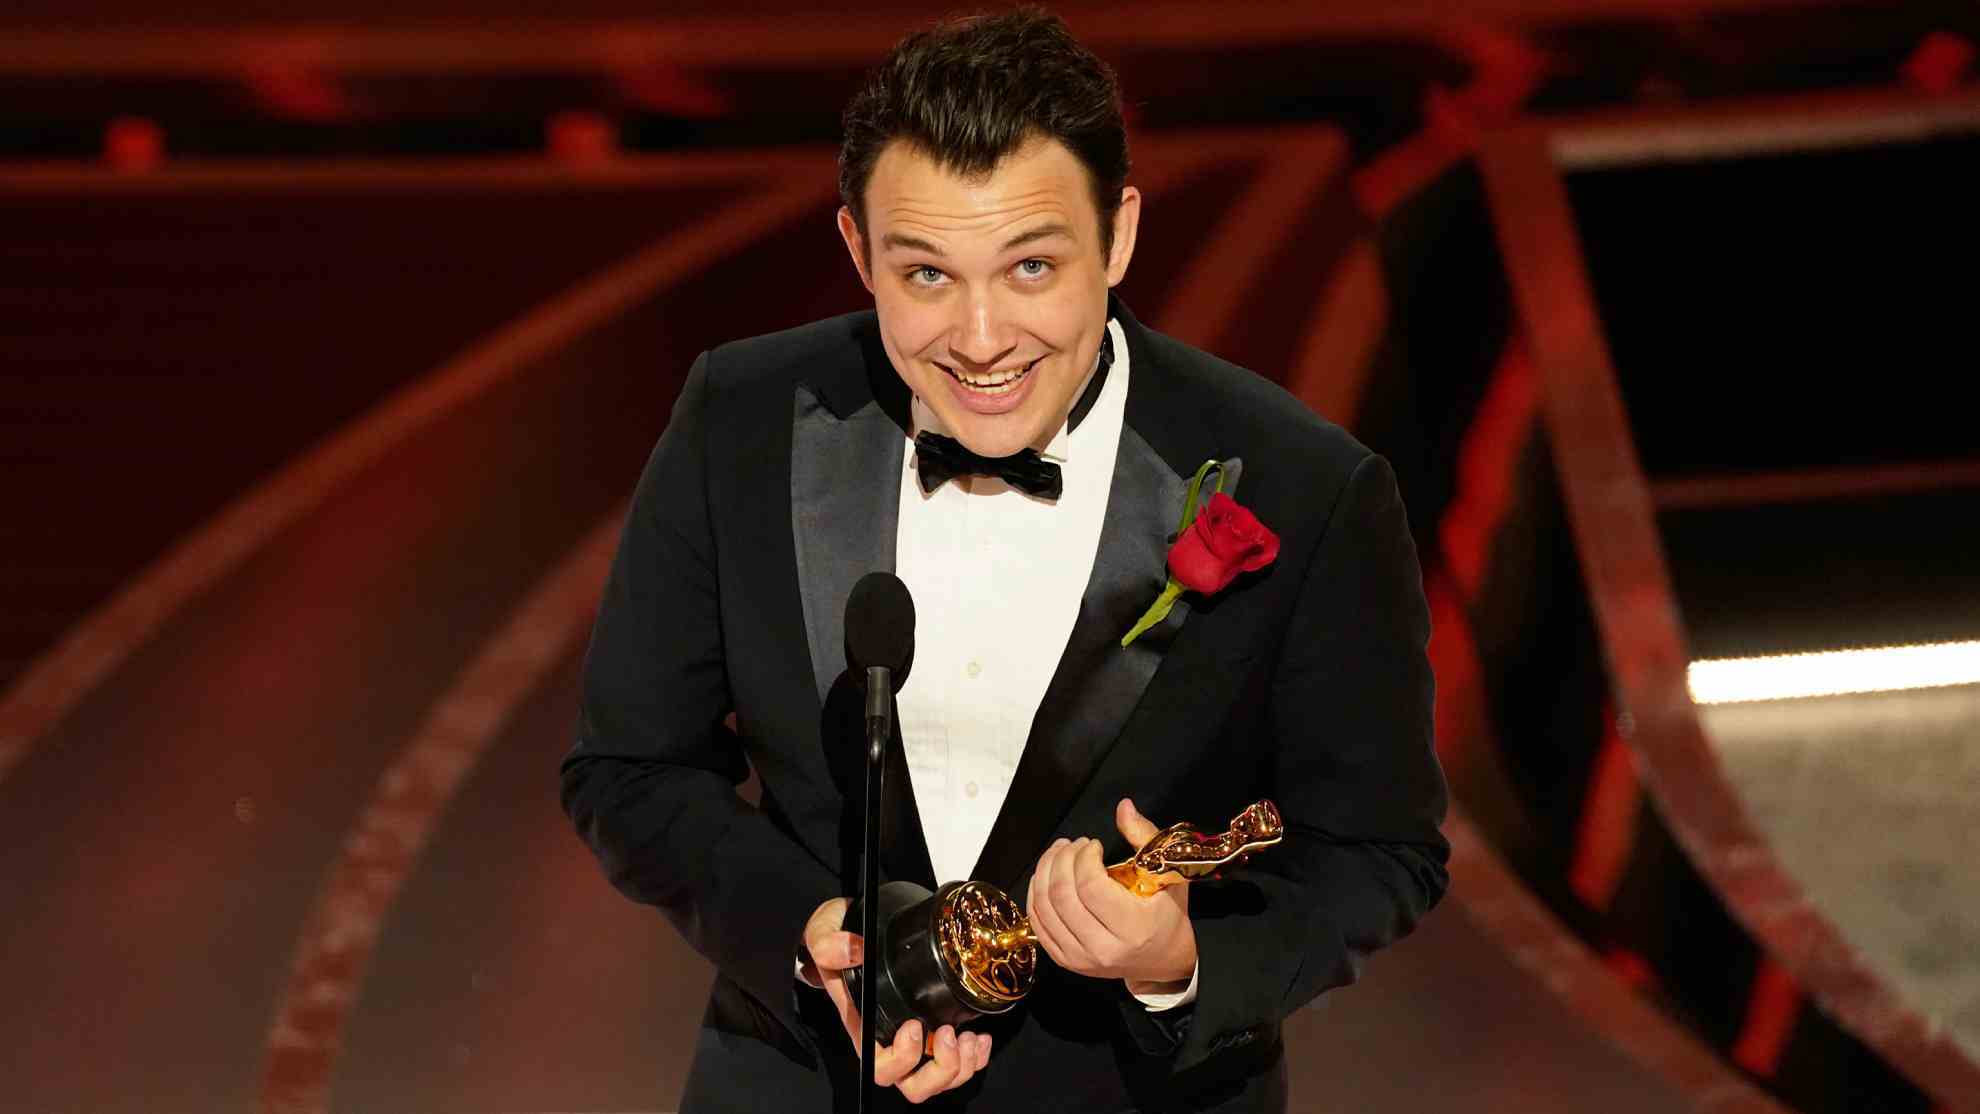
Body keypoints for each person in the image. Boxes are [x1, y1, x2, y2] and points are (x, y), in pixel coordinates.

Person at [561, 9, 1449, 1112]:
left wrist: (1178, 961)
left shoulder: (1304, 485)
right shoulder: (739, 418)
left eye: (1031, 267)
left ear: (1118, 236)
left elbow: (1378, 851)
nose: (981, 340)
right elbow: (628, 770)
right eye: (926, 275)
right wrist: (813, 935)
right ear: (858, 251)